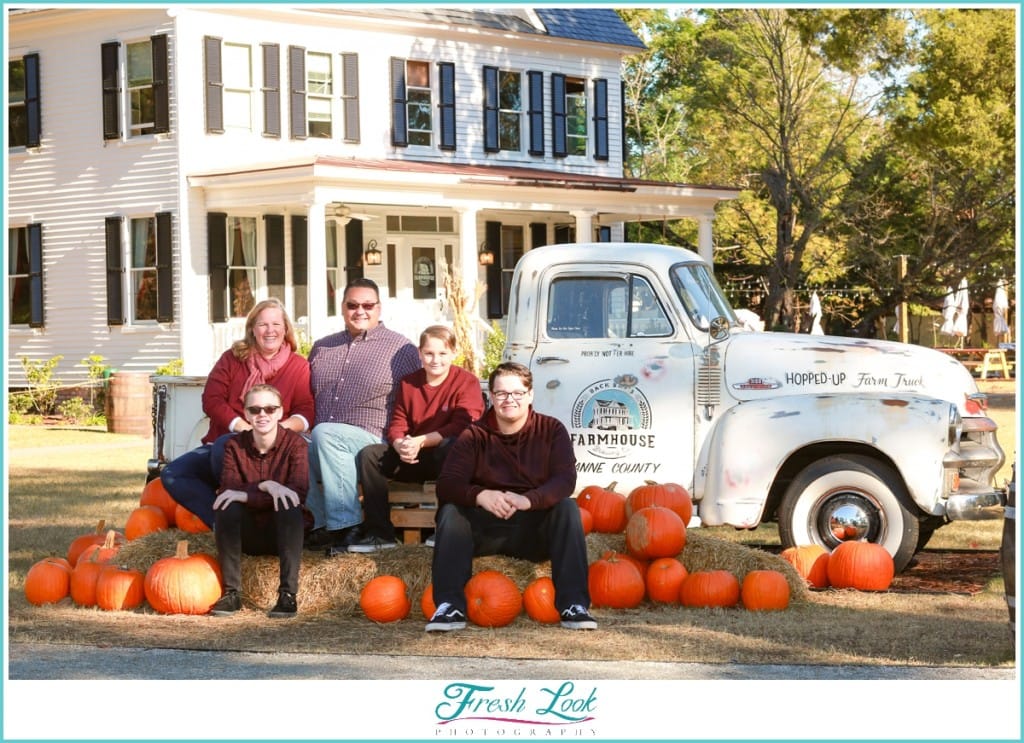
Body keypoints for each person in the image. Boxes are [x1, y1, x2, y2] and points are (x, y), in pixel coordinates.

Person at [426, 362, 596, 632]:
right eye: (502, 393)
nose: (510, 400)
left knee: (567, 508)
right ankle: (450, 606)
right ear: (491, 397)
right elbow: (447, 484)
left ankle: (573, 604)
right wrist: (480, 495)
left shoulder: (552, 430)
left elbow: (565, 480)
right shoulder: (474, 435)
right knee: (450, 511)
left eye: (517, 393)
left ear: (530, 395)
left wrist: (529, 500)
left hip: (533, 529)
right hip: (485, 529)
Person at [160, 298, 314, 529]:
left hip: (272, 449)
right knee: (174, 473)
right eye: (263, 324)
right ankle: (226, 524)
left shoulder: (298, 365)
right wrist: (243, 429)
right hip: (224, 441)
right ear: (252, 328)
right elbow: (211, 400)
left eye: (276, 324)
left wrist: (274, 431)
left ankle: (253, 523)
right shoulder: (232, 359)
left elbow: (306, 411)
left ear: (285, 329)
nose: (270, 330)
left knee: (227, 447)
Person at [306, 277, 422, 553]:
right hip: (323, 440)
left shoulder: (400, 348)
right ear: (343, 308)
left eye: (368, 305)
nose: (360, 311)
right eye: (353, 305)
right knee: (292, 446)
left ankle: (349, 526)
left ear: (379, 308)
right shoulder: (322, 347)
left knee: (325, 433)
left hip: (371, 442)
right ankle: (320, 525)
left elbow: (416, 398)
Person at [350, 325, 486, 553]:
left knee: (452, 446)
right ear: (420, 353)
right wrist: (400, 444)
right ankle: (380, 534)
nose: (435, 360)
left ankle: (446, 528)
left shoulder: (466, 382)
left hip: (447, 459)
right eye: (429, 353)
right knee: (370, 455)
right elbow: (398, 422)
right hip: (413, 455)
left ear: (453, 353)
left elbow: (462, 426)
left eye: (442, 353)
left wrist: (420, 440)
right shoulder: (408, 382)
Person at [209, 384, 308, 618]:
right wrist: (266, 486)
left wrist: (249, 494)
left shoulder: (296, 445)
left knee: (288, 504)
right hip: (248, 535)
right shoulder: (234, 446)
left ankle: (288, 595)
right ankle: (231, 594)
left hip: (283, 534)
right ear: (245, 414)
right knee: (227, 506)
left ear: (280, 412)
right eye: (254, 410)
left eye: (269, 409)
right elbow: (228, 490)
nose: (262, 415)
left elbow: (298, 492)